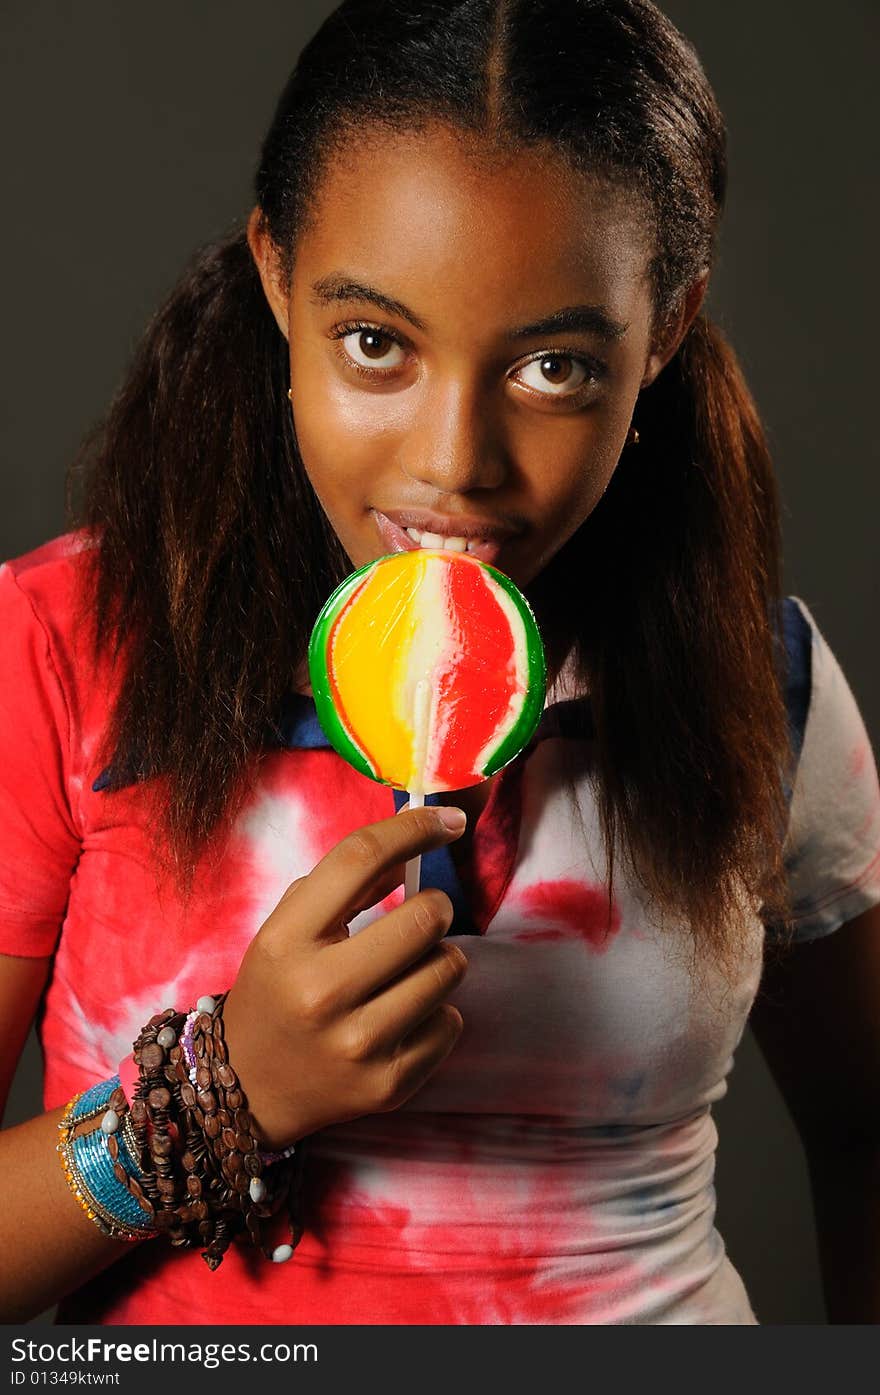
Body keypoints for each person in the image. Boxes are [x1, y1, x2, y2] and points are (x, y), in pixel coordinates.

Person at [0, 0, 878, 1326]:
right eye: (375, 345)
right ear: (277, 280)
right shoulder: (62, 646)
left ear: (668, 334)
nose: (454, 462)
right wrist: (222, 1094)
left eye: (555, 367)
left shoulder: (767, 684)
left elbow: (868, 1137)